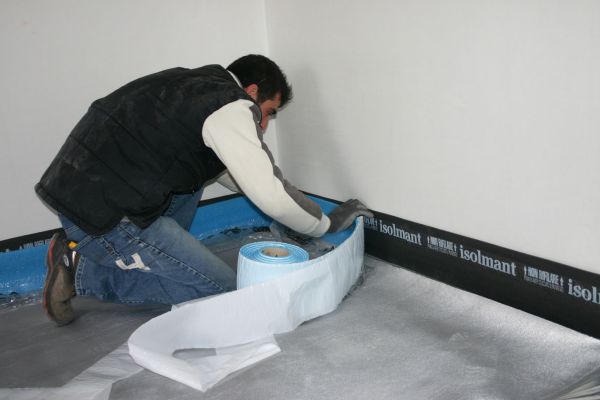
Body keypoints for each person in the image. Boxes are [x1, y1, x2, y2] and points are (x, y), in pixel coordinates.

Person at [35, 54, 373, 326]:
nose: (264, 125)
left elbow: (245, 178)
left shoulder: (193, 87)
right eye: (267, 113)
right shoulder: (231, 106)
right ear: (251, 91)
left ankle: (139, 256)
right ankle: (82, 271)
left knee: (196, 175)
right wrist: (325, 223)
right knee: (225, 293)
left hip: (85, 190)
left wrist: (292, 211)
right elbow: (270, 192)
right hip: (104, 217)